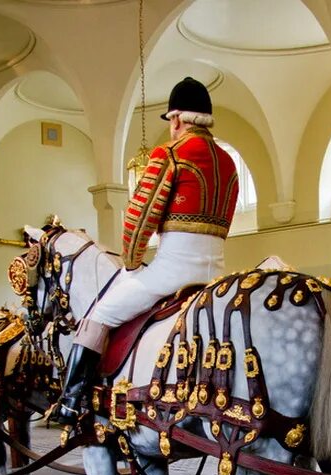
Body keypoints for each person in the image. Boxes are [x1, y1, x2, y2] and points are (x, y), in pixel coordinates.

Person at [55, 76, 240, 427]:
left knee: (99, 315)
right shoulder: (229, 165)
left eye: (171, 122)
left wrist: (132, 263)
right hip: (216, 275)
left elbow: (138, 222)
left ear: (176, 119)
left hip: (171, 273)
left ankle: (71, 399)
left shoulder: (169, 154)